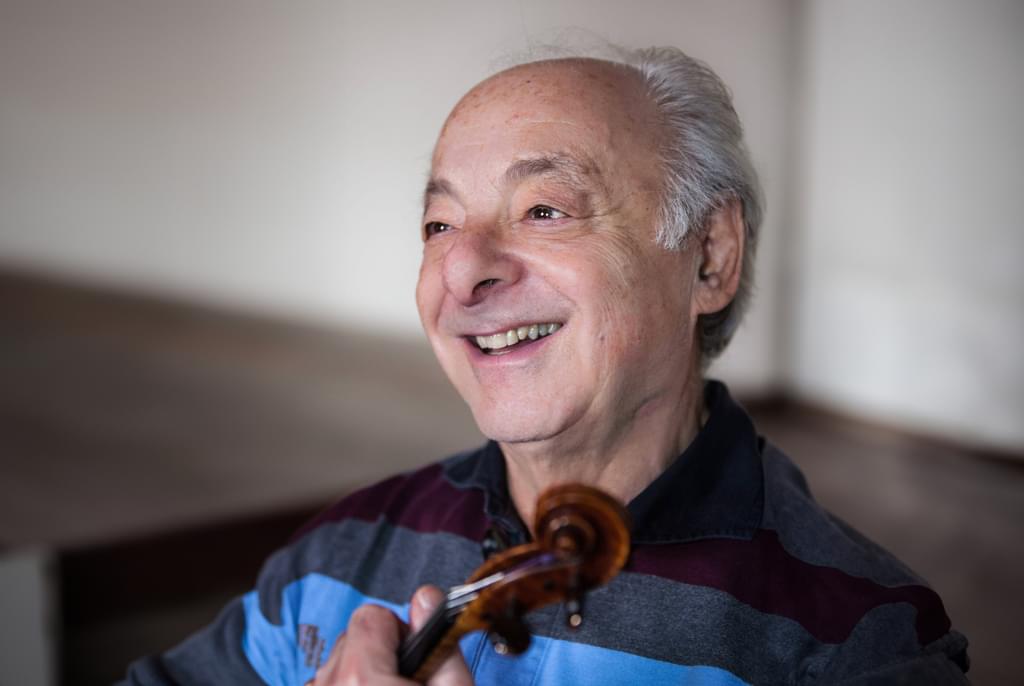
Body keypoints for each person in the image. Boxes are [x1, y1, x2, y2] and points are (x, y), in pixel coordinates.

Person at [121, 47, 970, 685]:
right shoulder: (338, 561)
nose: (463, 268)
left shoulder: (858, 642)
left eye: (544, 208)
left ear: (709, 258)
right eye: (440, 225)